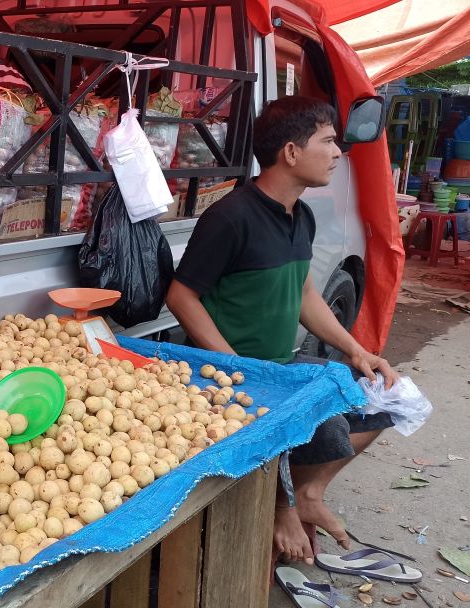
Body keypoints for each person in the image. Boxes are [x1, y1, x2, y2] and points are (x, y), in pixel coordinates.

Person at [165, 96, 398, 566]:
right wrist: (234, 367)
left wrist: (356, 350)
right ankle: (280, 505)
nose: (337, 152)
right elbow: (181, 296)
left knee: (385, 399)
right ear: (291, 152)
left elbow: (305, 292)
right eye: (328, 141)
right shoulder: (230, 217)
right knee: (311, 426)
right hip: (227, 374)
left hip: (281, 366)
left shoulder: (301, 215)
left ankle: (307, 493)